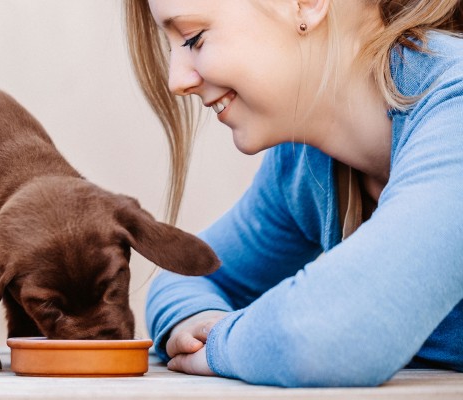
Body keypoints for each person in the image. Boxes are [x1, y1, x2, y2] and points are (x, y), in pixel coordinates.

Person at [124, 0, 463, 387]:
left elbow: (326, 335)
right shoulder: (305, 165)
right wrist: (198, 322)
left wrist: (222, 343)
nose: (177, 81)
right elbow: (187, 273)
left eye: (193, 38)